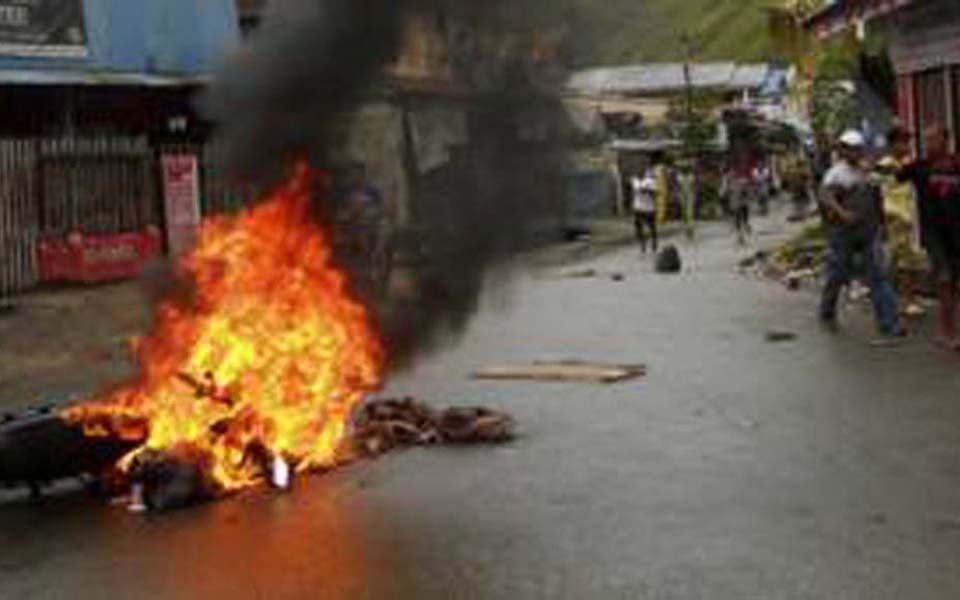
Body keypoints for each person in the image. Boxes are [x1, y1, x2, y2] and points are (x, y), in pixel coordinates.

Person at [818, 129, 903, 342]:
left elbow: (878, 197)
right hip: (842, 233)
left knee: (879, 277)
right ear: (843, 150)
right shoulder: (836, 173)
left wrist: (882, 224)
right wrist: (842, 213)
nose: (854, 153)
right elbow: (825, 196)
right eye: (850, 149)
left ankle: (890, 324)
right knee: (837, 274)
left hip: (868, 231)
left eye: (857, 149)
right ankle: (827, 310)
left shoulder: (868, 172)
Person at [894, 126, 960, 349]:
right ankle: (947, 333)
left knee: (950, 283)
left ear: (946, 141)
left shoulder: (956, 164)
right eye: (927, 139)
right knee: (944, 279)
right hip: (933, 235)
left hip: (955, 234)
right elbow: (894, 175)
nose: (929, 143)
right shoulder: (919, 167)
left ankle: (947, 330)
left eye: (934, 139)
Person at [630, 173, 658, 253]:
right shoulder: (634, 180)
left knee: (652, 226)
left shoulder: (650, 181)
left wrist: (647, 190)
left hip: (649, 208)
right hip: (638, 207)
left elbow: (655, 193)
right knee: (638, 226)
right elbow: (633, 192)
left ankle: (654, 241)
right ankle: (642, 244)